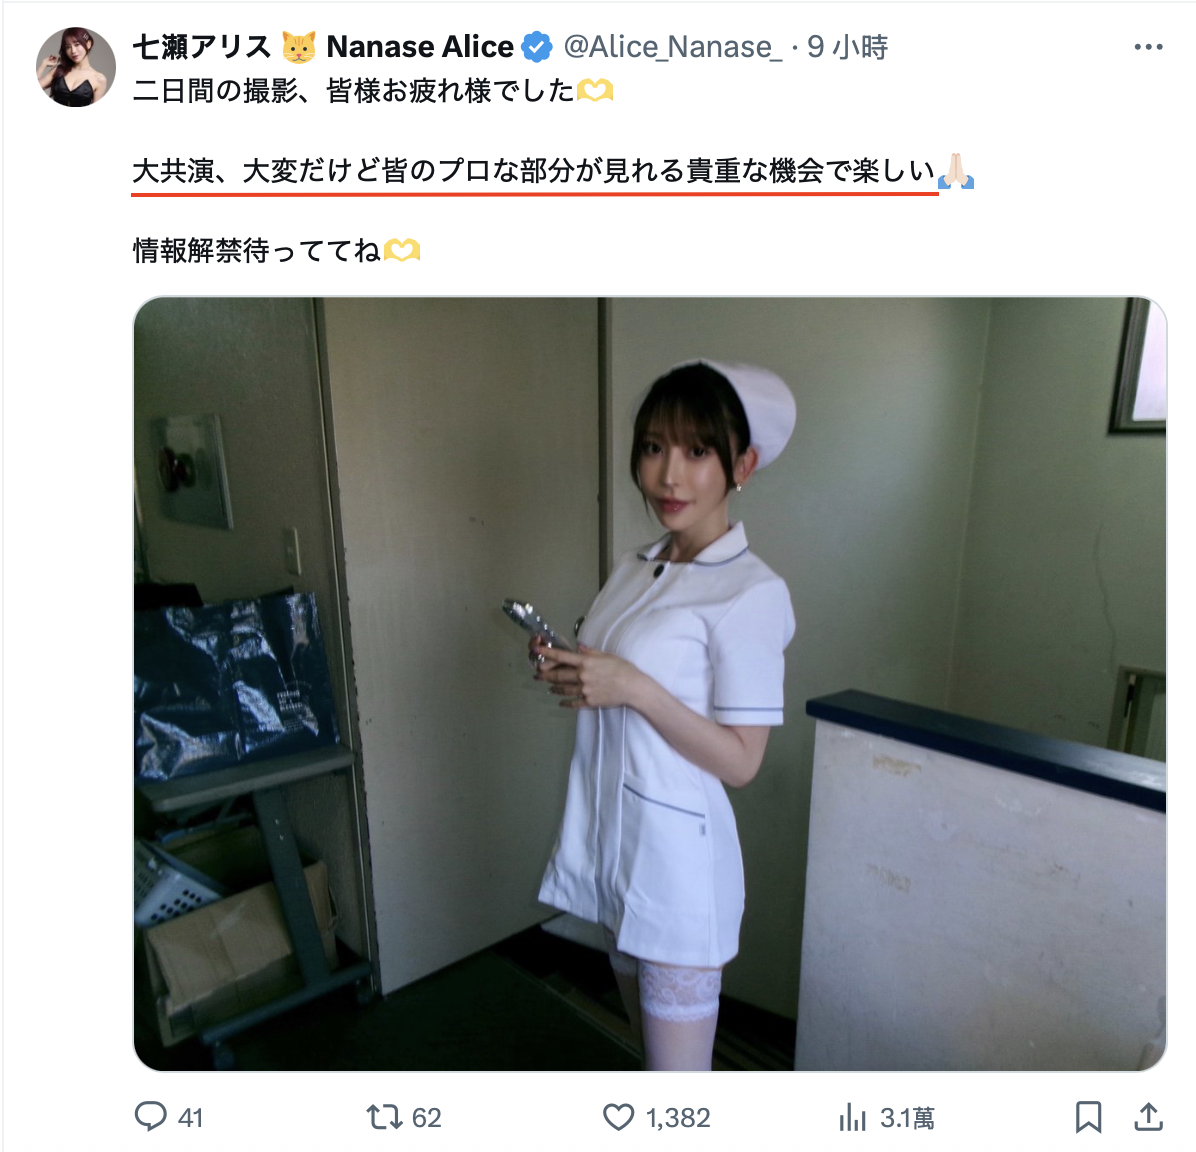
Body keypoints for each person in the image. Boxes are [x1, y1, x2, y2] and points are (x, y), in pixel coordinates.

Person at [533, 360, 797, 1071]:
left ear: (742, 465)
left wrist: (635, 687)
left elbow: (741, 761)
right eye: (654, 447)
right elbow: (621, 685)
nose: (668, 475)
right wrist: (576, 670)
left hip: (677, 872)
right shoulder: (636, 565)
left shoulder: (750, 593)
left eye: (697, 450)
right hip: (617, 851)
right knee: (649, 1065)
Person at [38, 28, 107, 107]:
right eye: (68, 47)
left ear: (88, 44)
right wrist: (43, 64)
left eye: (77, 44)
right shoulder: (58, 70)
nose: (73, 51)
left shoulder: (99, 79)